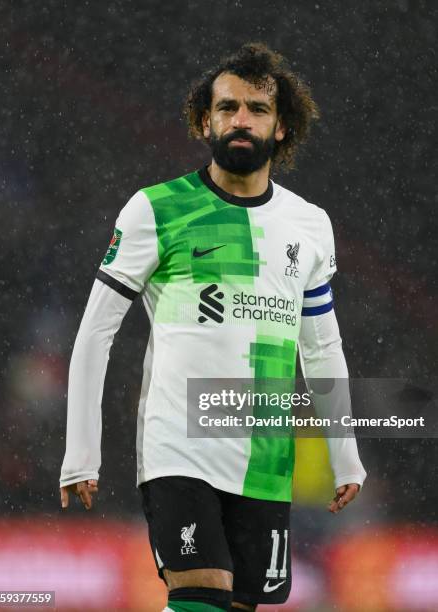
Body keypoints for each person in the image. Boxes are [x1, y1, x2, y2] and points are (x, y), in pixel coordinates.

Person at [60, 42, 367, 612]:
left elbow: (322, 348)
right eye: (227, 108)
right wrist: (82, 450)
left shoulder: (310, 225)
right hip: (179, 446)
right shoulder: (156, 210)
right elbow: (94, 334)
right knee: (202, 590)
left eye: (257, 108)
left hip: (266, 455)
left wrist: (345, 455)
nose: (241, 120)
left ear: (281, 128)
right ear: (205, 121)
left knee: (238, 603)